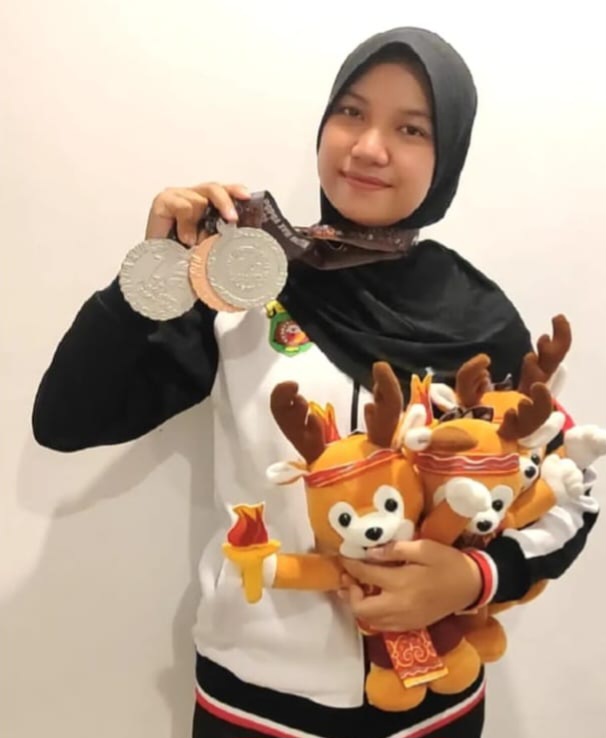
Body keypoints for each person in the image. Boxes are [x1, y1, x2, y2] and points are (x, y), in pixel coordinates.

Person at [31, 26, 599, 738]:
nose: (369, 147)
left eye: (411, 128)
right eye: (351, 112)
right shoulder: (242, 283)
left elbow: (570, 488)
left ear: (448, 155)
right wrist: (153, 274)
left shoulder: (478, 316)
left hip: (434, 704)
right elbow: (67, 420)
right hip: (252, 702)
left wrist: (475, 579)